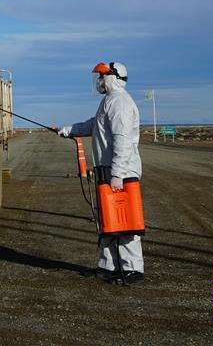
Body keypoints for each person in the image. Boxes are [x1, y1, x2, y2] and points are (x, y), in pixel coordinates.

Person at [56, 61, 144, 284]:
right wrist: (69, 130)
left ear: (113, 77)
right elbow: (95, 125)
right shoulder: (110, 101)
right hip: (108, 170)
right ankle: (108, 266)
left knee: (126, 222)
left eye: (103, 77)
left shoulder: (120, 103)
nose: (99, 81)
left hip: (120, 171)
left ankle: (132, 269)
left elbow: (122, 140)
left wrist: (118, 173)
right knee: (107, 219)